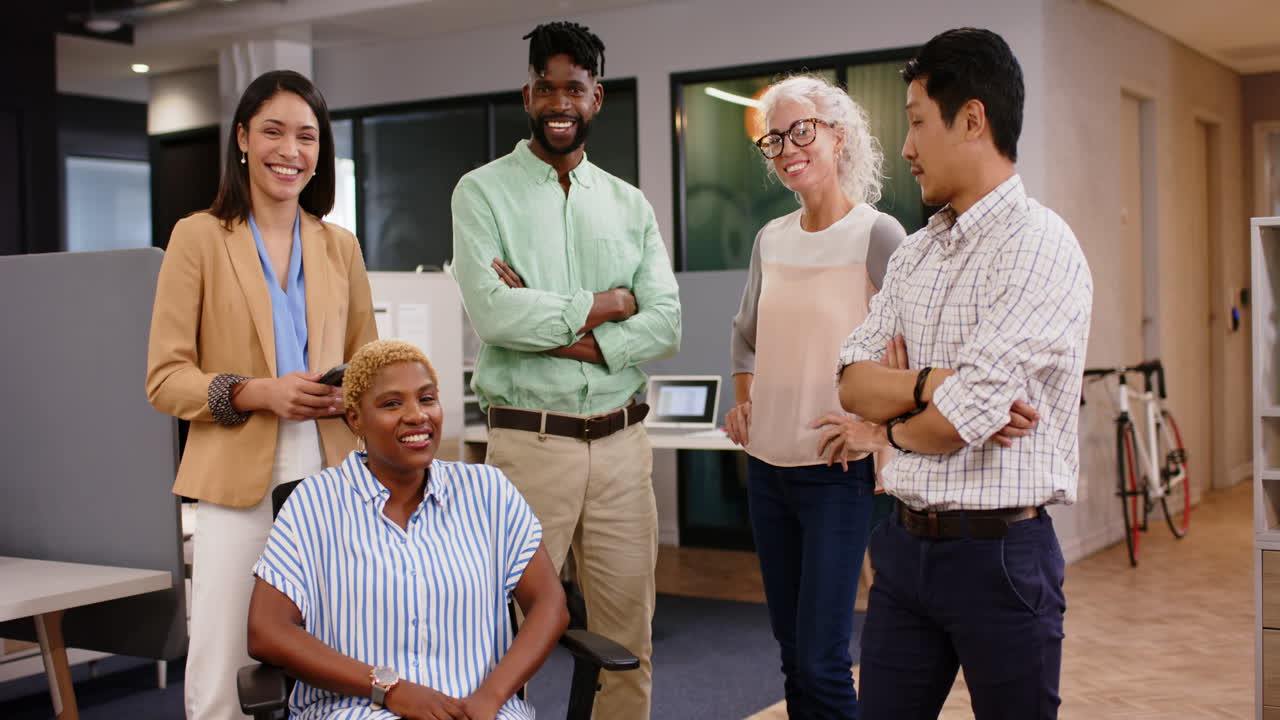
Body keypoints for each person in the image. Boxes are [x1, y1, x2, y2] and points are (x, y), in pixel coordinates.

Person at [835, 28, 1093, 719]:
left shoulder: (1041, 249)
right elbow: (849, 379)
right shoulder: (917, 255)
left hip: (1002, 560)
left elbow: (953, 426)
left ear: (972, 119)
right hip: (904, 551)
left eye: (917, 122)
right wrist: (929, 386)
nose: (908, 148)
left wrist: (896, 421)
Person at [450, 21, 681, 720]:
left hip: (620, 449)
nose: (559, 101)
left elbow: (666, 323)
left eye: (573, 88)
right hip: (530, 447)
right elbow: (494, 318)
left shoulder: (628, 203)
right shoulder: (481, 193)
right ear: (528, 94)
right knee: (502, 640)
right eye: (546, 87)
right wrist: (606, 306)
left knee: (627, 643)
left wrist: (551, 324)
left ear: (596, 97)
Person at [145, 70, 377, 720]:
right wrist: (255, 392)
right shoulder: (198, 238)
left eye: (307, 136)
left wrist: (351, 395)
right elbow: (165, 378)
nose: (291, 150)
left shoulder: (340, 247)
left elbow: (371, 364)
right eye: (273, 131)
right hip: (236, 482)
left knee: (332, 651)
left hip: (332, 477)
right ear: (242, 137)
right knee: (225, 659)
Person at [247, 339, 568, 720]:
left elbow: (550, 605)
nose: (417, 416)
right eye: (391, 404)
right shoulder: (314, 502)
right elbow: (266, 631)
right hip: (358, 710)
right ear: (355, 419)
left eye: (427, 399)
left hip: (480, 710)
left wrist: (492, 697)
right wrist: (387, 688)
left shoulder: (488, 491)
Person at [725, 74, 905, 718]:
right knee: (789, 650)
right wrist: (745, 398)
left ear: (839, 135)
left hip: (836, 473)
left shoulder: (877, 235)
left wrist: (877, 434)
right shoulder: (771, 239)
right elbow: (745, 339)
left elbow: (916, 355)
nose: (788, 148)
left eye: (802, 130)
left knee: (822, 659)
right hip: (766, 470)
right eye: (775, 139)